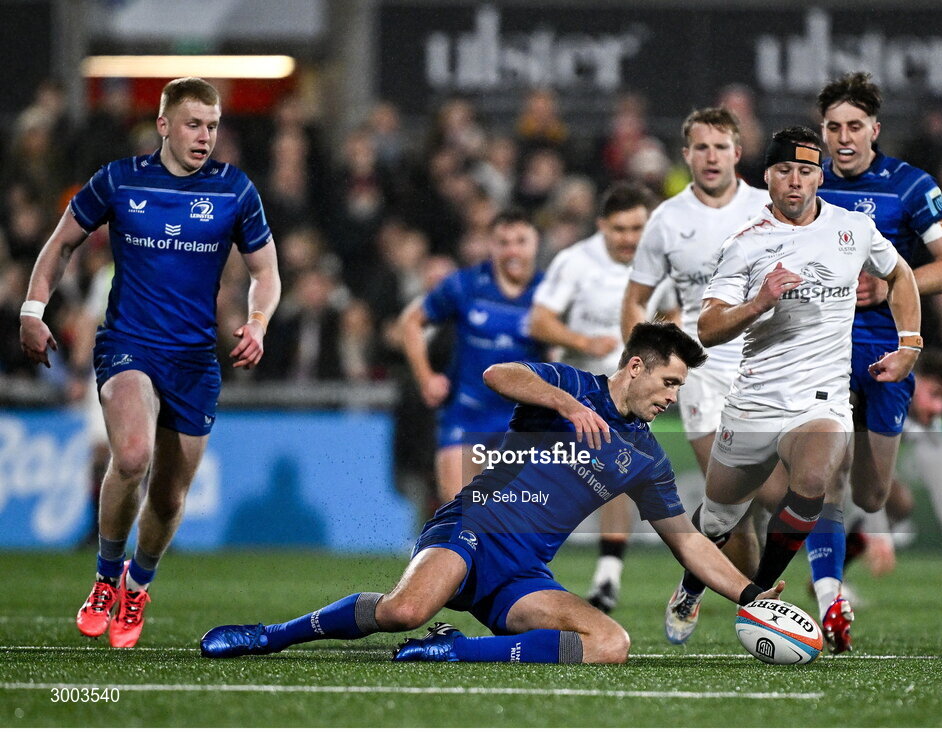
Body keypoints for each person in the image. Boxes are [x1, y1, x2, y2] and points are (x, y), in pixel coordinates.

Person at [200, 322, 783, 664]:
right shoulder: (570, 383)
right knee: (405, 610)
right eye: (669, 382)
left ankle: (454, 649)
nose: (672, 398)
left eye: (680, 388)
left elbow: (689, 545)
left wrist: (753, 594)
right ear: (635, 367)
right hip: (472, 528)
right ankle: (271, 636)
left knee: (610, 642)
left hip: (521, 571)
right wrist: (567, 404)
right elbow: (497, 375)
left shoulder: (647, 457)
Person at [19, 77, 281, 648]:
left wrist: (257, 323)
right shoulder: (118, 179)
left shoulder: (235, 190)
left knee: (168, 495)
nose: (204, 137)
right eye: (193, 124)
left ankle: (138, 584)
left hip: (193, 359)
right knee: (132, 456)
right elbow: (61, 242)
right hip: (128, 344)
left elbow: (266, 272)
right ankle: (105, 579)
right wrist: (33, 309)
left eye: (212, 126)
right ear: (163, 124)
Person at [665, 126, 921, 648]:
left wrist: (910, 345)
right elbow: (709, 328)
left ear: (819, 177)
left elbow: (902, 275)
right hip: (756, 400)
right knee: (718, 518)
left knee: (815, 478)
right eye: (785, 171)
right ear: (768, 177)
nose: (795, 182)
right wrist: (758, 303)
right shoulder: (745, 244)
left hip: (821, 399)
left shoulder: (853, 228)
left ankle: (760, 596)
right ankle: (691, 586)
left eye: (806, 172)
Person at [802, 72, 942, 653]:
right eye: (833, 128)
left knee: (870, 496)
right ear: (821, 132)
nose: (843, 138)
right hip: (821, 349)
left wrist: (889, 282)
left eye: (854, 126)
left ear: (875, 128)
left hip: (890, 352)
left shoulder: (910, 186)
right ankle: (829, 598)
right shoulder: (806, 185)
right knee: (825, 475)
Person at [619, 107, 775, 641]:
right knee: (738, 499)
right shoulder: (666, 219)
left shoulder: (769, 207)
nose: (711, 157)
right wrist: (636, 367)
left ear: (738, 151)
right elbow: (636, 299)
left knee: (766, 497)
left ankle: (693, 581)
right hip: (702, 374)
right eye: (700, 148)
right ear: (686, 155)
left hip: (766, 367)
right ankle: (759, 613)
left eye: (720, 147)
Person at [528, 182, 656, 613]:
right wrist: (582, 339)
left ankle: (606, 578)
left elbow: (675, 314)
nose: (629, 238)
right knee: (545, 484)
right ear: (602, 225)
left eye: (637, 227)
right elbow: (540, 321)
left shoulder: (659, 263)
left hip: (624, 399)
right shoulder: (575, 261)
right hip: (575, 391)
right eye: (619, 229)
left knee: (616, 478)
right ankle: (521, 567)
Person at [399, 208, 547, 503]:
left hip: (520, 420)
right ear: (491, 247)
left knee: (512, 525)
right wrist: (426, 378)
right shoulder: (464, 285)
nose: (513, 250)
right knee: (458, 515)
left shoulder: (550, 293)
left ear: (536, 243)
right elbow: (411, 322)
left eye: (521, 241)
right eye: (503, 243)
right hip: (467, 414)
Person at [853, 350, 942, 586]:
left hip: (851, 470)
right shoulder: (880, 392)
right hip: (823, 454)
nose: (939, 407)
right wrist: (878, 534)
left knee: (897, 503)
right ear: (914, 378)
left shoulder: (925, 421)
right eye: (935, 393)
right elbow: (863, 468)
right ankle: (826, 576)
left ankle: (833, 577)